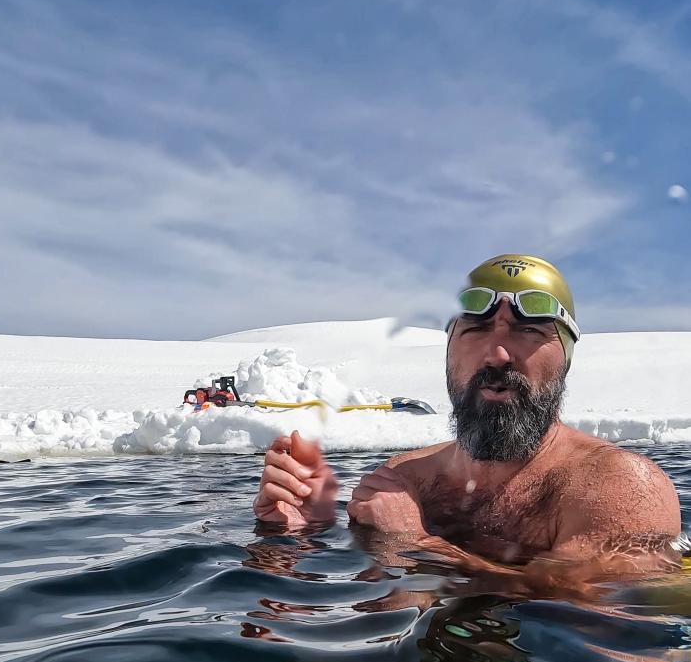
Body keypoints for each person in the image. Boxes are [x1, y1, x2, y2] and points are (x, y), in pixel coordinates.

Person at [253, 253, 681, 598]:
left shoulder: (619, 486)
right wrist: (296, 536)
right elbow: (372, 609)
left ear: (564, 360)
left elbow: (607, 626)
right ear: (449, 353)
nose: (497, 353)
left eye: (529, 331)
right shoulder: (405, 477)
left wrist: (419, 544)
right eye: (475, 329)